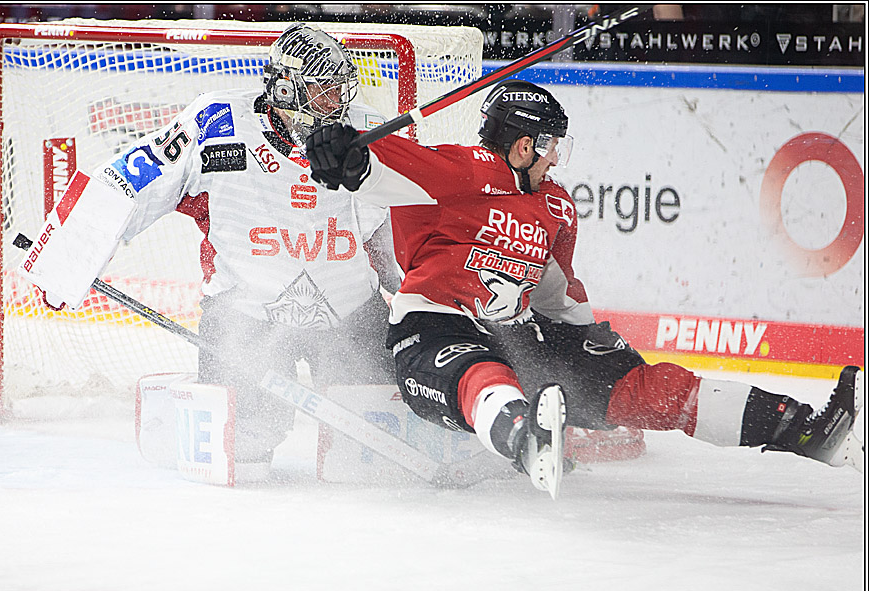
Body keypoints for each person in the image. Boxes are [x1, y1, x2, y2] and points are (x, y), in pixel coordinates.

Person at [304, 79, 864, 498]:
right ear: (525, 145)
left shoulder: (556, 206)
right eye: (551, 148)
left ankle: (800, 428)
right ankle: (528, 443)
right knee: (482, 372)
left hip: (522, 335)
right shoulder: (460, 170)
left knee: (648, 388)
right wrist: (343, 154)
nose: (555, 160)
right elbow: (380, 169)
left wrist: (590, 339)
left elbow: (556, 291)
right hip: (433, 329)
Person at [66, 23, 400, 480]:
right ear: (286, 89)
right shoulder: (216, 122)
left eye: (340, 89)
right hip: (245, 320)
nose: (336, 103)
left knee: (373, 467)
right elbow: (131, 180)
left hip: (351, 316)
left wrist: (414, 299)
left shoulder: (367, 129)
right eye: (323, 90)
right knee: (242, 463)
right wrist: (72, 250)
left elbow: (399, 223)